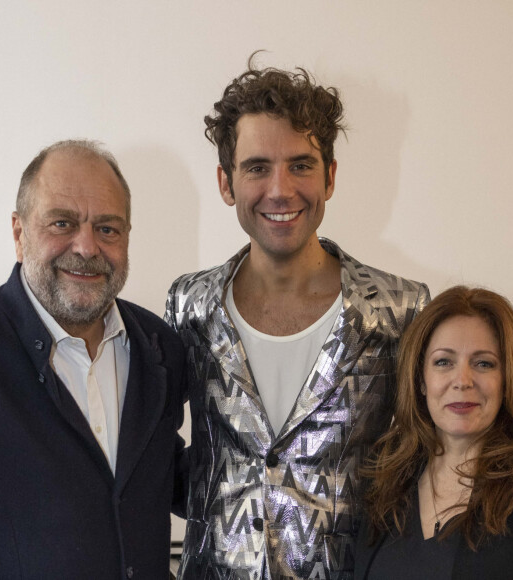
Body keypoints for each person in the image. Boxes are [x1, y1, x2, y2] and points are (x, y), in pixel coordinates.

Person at [165, 56, 430, 579]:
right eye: (257, 167)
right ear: (226, 183)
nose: (281, 189)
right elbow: (147, 447)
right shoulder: (188, 306)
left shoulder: (400, 309)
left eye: (301, 165)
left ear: (330, 177)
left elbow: (455, 440)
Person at [0, 140, 186, 579]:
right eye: (62, 223)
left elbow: (164, 475)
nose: (87, 247)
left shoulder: (160, 346)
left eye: (108, 229)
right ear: (19, 234)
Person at [355, 286, 513, 579]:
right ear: (421, 380)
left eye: (483, 363)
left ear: (507, 379)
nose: (462, 380)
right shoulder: (385, 486)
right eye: (443, 362)